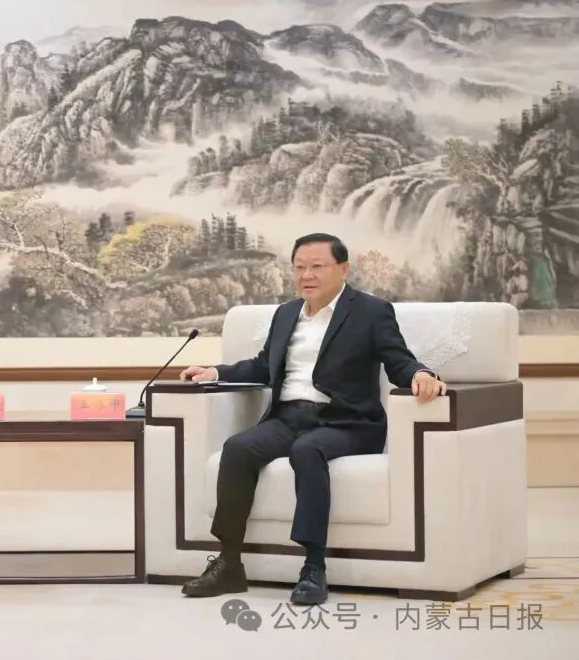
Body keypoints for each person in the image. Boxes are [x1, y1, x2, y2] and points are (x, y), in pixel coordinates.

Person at [178, 233, 447, 605]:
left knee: (307, 450)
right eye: (300, 268)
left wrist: (420, 374)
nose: (307, 275)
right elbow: (263, 366)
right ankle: (229, 563)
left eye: (317, 266)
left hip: (348, 422)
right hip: (289, 417)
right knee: (237, 449)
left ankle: (314, 567)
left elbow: (398, 359)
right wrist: (215, 373)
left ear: (343, 269)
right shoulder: (286, 313)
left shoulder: (371, 311)